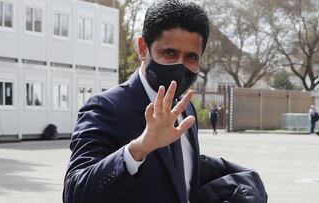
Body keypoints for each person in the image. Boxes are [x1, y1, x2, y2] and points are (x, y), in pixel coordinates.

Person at [63, 1, 267, 203]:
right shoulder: (105, 107)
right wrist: (138, 149)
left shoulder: (187, 109)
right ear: (143, 49)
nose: (180, 65)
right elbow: (74, 192)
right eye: (169, 53)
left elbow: (181, 178)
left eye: (191, 57)